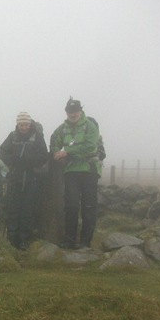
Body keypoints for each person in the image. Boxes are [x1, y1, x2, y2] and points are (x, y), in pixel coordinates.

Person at [50, 97, 101, 249]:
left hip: (89, 170)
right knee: (71, 206)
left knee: (89, 207)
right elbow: (54, 141)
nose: (72, 115)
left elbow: (91, 147)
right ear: (66, 112)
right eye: (70, 112)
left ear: (80, 111)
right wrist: (56, 153)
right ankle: (69, 241)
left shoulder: (90, 126)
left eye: (75, 111)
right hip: (71, 171)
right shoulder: (62, 128)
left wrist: (67, 153)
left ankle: (86, 242)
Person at [0, 112, 49, 250]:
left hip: (31, 178)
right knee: (13, 208)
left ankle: (24, 240)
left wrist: (29, 162)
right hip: (15, 177)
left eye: (26, 124)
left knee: (28, 209)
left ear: (30, 124)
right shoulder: (12, 136)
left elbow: (44, 155)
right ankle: (12, 239)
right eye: (21, 124)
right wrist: (13, 162)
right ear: (17, 124)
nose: (24, 127)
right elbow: (2, 151)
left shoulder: (37, 137)